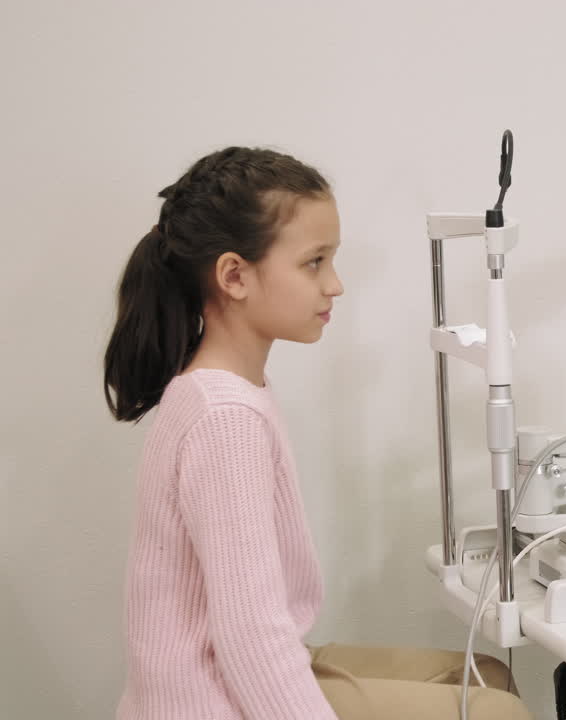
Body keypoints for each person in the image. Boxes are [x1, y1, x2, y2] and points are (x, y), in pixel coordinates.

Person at [104, 146, 530, 720]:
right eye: (314, 262)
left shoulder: (228, 389)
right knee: (494, 713)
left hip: (243, 668)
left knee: (488, 676)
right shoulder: (223, 419)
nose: (335, 285)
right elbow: (250, 638)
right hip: (207, 700)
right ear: (234, 275)